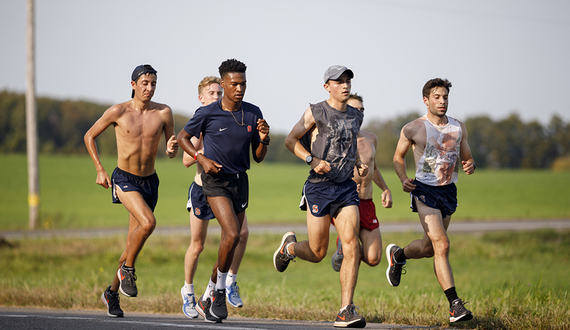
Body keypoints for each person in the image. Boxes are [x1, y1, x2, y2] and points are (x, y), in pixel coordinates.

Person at [274, 65, 368, 328]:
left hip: (346, 188)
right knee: (317, 252)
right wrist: (311, 159)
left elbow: (349, 145)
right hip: (319, 186)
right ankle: (289, 248)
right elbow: (291, 140)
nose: (345, 85)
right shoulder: (316, 111)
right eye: (339, 81)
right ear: (327, 86)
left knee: (352, 245)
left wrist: (358, 162)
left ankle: (345, 310)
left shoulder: (355, 115)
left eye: (348, 80)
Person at [177, 59, 270, 323]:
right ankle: (219, 292)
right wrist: (201, 158)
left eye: (243, 84)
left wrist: (264, 139)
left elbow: (259, 156)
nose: (239, 88)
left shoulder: (253, 113)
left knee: (235, 238)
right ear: (224, 84)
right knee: (231, 233)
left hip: (240, 182)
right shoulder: (208, 113)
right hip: (214, 181)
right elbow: (183, 137)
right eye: (234, 84)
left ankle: (208, 294)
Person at [84, 64, 179, 318]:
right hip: (124, 179)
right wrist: (99, 169)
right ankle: (128, 271)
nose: (149, 88)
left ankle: (111, 294)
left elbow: (171, 149)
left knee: (130, 248)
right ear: (133, 84)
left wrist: (171, 150)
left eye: (153, 84)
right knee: (148, 223)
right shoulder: (118, 111)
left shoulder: (164, 113)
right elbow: (89, 136)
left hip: (150, 183)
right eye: (145, 83)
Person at [387, 78, 475, 323]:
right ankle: (454, 305)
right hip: (424, 189)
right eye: (437, 97)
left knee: (429, 249)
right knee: (442, 244)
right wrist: (403, 178)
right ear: (426, 100)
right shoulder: (413, 127)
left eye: (445, 97)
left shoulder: (458, 127)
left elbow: (467, 157)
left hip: (448, 191)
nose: (442, 101)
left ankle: (398, 255)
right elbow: (397, 157)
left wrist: (470, 164)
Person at [180, 76, 249, 319]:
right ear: (201, 97)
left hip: (227, 188)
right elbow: (186, 160)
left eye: (219, 93)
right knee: (198, 245)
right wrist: (205, 153)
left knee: (238, 235)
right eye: (212, 93)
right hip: (202, 190)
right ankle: (188, 290)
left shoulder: (227, 117)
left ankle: (225, 284)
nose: (217, 97)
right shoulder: (202, 119)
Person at [331, 93, 393, 272]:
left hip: (367, 202)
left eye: (362, 110)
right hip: (346, 202)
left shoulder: (371, 138)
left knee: (374, 258)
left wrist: (385, 188)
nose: (359, 114)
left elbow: (373, 167)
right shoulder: (336, 138)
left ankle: (342, 249)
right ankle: (342, 247)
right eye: (354, 110)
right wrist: (346, 185)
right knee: (353, 253)